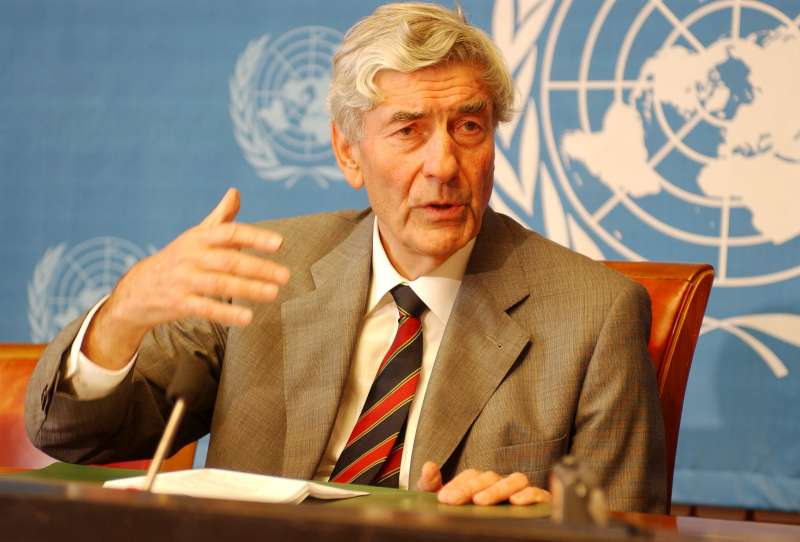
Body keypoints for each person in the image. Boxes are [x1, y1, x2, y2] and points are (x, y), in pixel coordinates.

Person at [25, 2, 666, 512]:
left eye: (468, 127)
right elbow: (74, 435)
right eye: (408, 129)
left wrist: (533, 518)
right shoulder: (265, 272)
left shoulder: (593, 315)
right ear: (348, 151)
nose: (444, 165)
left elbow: (627, 524)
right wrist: (124, 314)